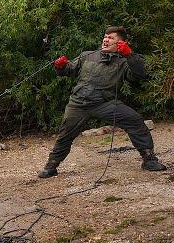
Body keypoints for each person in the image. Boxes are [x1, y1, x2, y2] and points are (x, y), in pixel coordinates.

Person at [38, 25, 166, 178]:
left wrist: (130, 55)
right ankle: (51, 166)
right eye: (105, 37)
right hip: (78, 103)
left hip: (105, 103)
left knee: (135, 120)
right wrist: (60, 66)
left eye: (111, 38)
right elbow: (68, 70)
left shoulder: (124, 61)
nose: (106, 40)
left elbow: (141, 74)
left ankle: (149, 160)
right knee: (66, 134)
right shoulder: (87, 55)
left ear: (121, 42)